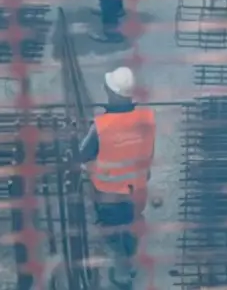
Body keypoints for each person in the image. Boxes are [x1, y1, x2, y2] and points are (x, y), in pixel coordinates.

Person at [78, 67, 156, 290]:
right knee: (130, 226)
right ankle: (130, 263)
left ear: (111, 92)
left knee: (113, 234)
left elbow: (83, 154)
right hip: (137, 190)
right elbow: (149, 153)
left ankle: (123, 276)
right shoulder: (147, 119)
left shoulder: (101, 126)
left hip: (109, 194)